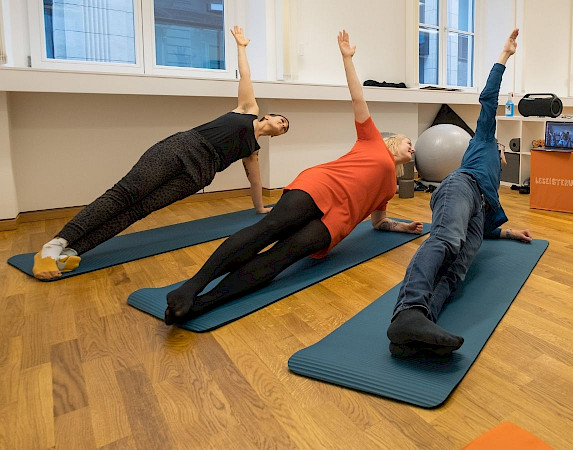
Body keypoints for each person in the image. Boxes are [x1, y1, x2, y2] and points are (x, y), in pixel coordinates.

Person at [164, 30, 422, 325]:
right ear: (392, 142)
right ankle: (191, 287)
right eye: (407, 142)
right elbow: (357, 97)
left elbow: (378, 222)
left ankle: (202, 304)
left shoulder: (390, 186)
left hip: (337, 221)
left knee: (281, 257)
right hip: (320, 186)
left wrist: (403, 228)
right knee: (270, 228)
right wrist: (347, 59)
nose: (412, 147)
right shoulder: (372, 139)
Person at [32, 26, 288, 280]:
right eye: (282, 121)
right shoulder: (247, 109)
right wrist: (241, 48)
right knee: (124, 195)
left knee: (139, 210)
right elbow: (245, 76)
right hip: (180, 148)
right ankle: (53, 246)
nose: (282, 126)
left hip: (198, 175)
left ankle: (74, 250)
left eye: (285, 129)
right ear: (269, 116)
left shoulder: (252, 151)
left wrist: (260, 208)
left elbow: (255, 181)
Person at [386, 29, 533, 358]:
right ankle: (408, 311)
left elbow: (483, 227)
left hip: (478, 208)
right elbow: (489, 101)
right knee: (446, 240)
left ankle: (416, 332)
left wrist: (509, 233)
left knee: (455, 273)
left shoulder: (493, 185)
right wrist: (504, 57)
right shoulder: (482, 143)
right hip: (460, 187)